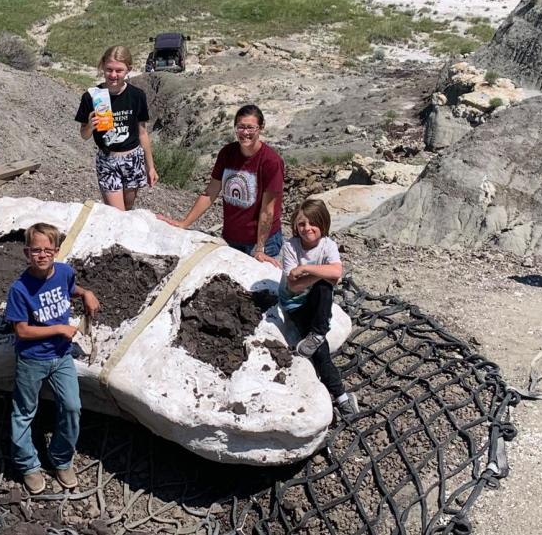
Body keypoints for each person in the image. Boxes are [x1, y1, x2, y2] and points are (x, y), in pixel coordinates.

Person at [5, 223, 100, 494]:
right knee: (24, 412)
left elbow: (69, 288)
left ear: (57, 251)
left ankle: (61, 458)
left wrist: (86, 293)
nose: (42, 255)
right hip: (32, 359)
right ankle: (28, 465)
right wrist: (59, 328)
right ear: (26, 252)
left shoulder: (65, 272)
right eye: (36, 250)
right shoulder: (20, 289)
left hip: (61, 356)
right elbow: (22, 330)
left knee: (71, 407)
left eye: (48, 249)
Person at [158, 104, 284, 264]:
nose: (245, 133)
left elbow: (268, 210)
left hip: (262, 242)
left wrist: (260, 249)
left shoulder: (271, 162)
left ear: (261, 128)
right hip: (231, 238)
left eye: (250, 128)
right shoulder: (227, 153)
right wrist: (184, 223)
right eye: (241, 127)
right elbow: (210, 192)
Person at [278, 199, 357, 417]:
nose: (307, 229)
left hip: (314, 298)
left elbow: (337, 272)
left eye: (313, 223)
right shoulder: (291, 246)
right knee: (320, 351)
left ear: (323, 223)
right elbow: (293, 285)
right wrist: (322, 273)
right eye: (302, 224)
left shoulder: (328, 245)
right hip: (295, 303)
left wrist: (305, 269)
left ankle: (318, 333)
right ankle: (341, 397)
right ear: (295, 225)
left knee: (324, 285)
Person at [75, 45, 158, 210]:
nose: (113, 75)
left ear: (129, 69)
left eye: (119, 70)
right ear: (102, 67)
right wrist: (90, 127)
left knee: (128, 208)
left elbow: (142, 133)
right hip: (108, 160)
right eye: (109, 69)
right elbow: (84, 135)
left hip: (133, 159)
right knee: (116, 213)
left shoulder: (137, 95)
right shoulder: (91, 96)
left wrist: (151, 167)